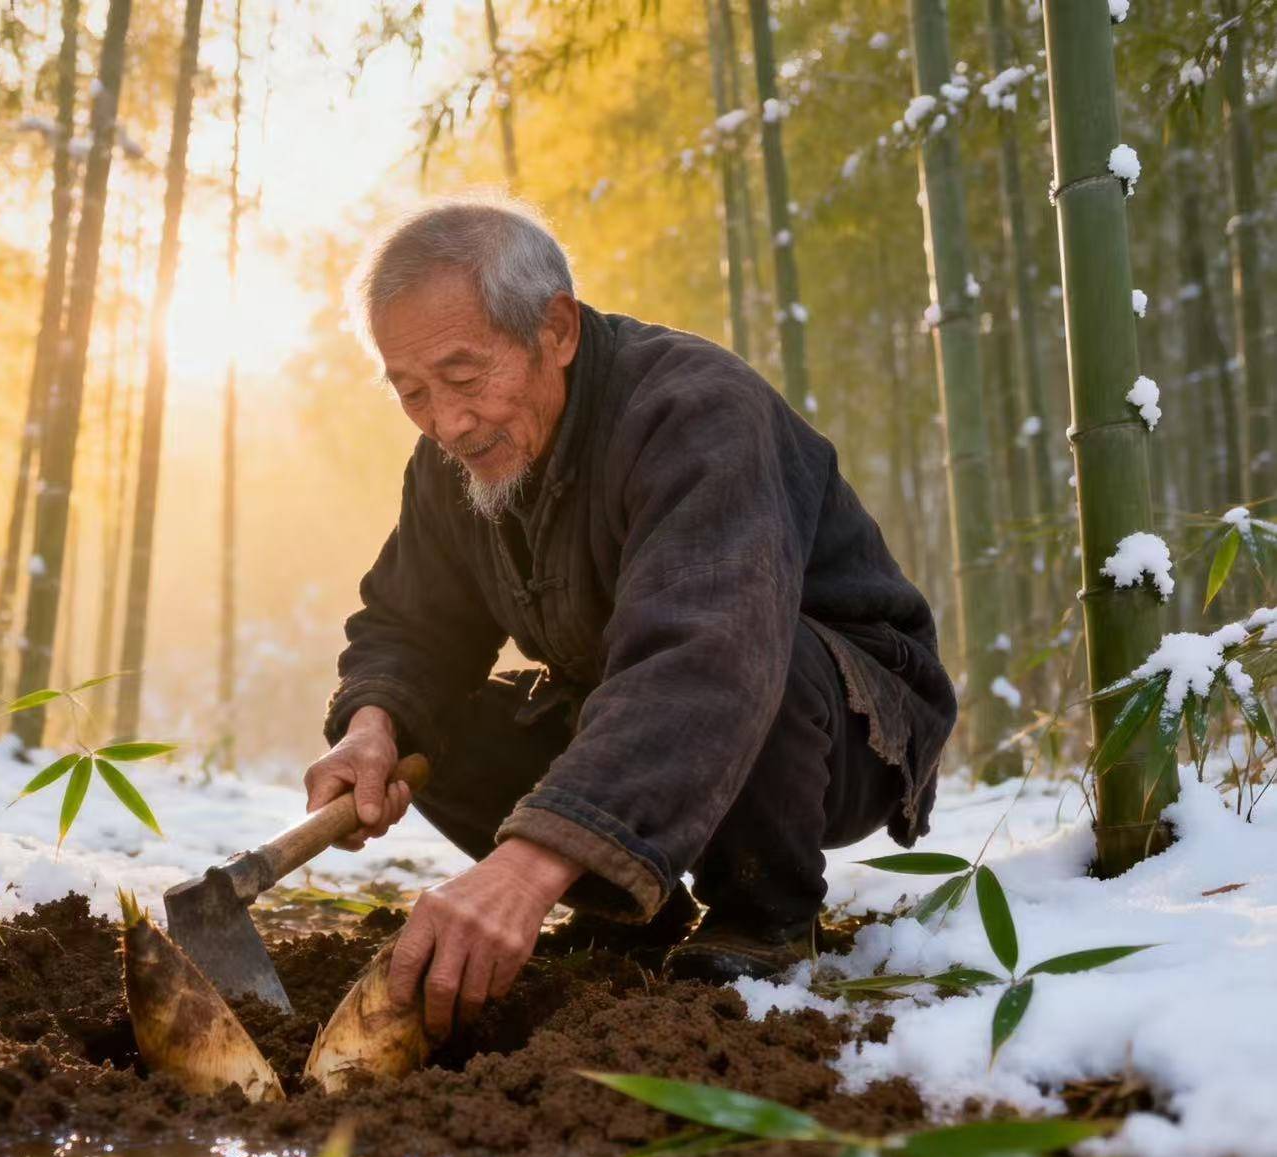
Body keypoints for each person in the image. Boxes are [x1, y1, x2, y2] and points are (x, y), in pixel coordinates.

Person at [303, 197, 956, 1042]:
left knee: (759, 655)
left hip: (834, 724)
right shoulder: (454, 458)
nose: (447, 421)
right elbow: (414, 624)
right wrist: (371, 726)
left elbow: (704, 654)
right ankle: (625, 901)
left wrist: (527, 867)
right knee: (440, 732)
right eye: (412, 391)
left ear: (558, 330)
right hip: (630, 709)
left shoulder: (696, 410)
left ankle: (763, 912)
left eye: (464, 379)